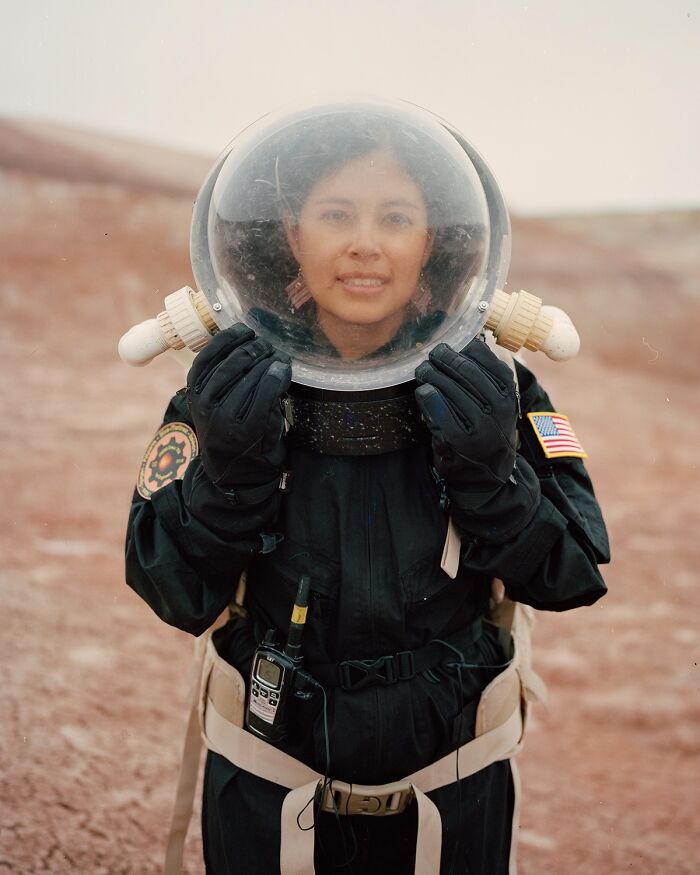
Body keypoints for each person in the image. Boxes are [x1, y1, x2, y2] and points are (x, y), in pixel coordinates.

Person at [125, 105, 609, 875]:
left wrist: (492, 472)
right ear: (292, 233)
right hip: (267, 782)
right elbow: (170, 588)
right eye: (335, 213)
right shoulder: (235, 389)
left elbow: (574, 572)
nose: (364, 242)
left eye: (396, 216)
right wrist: (228, 476)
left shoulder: (492, 390)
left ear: (431, 242)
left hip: (450, 797)